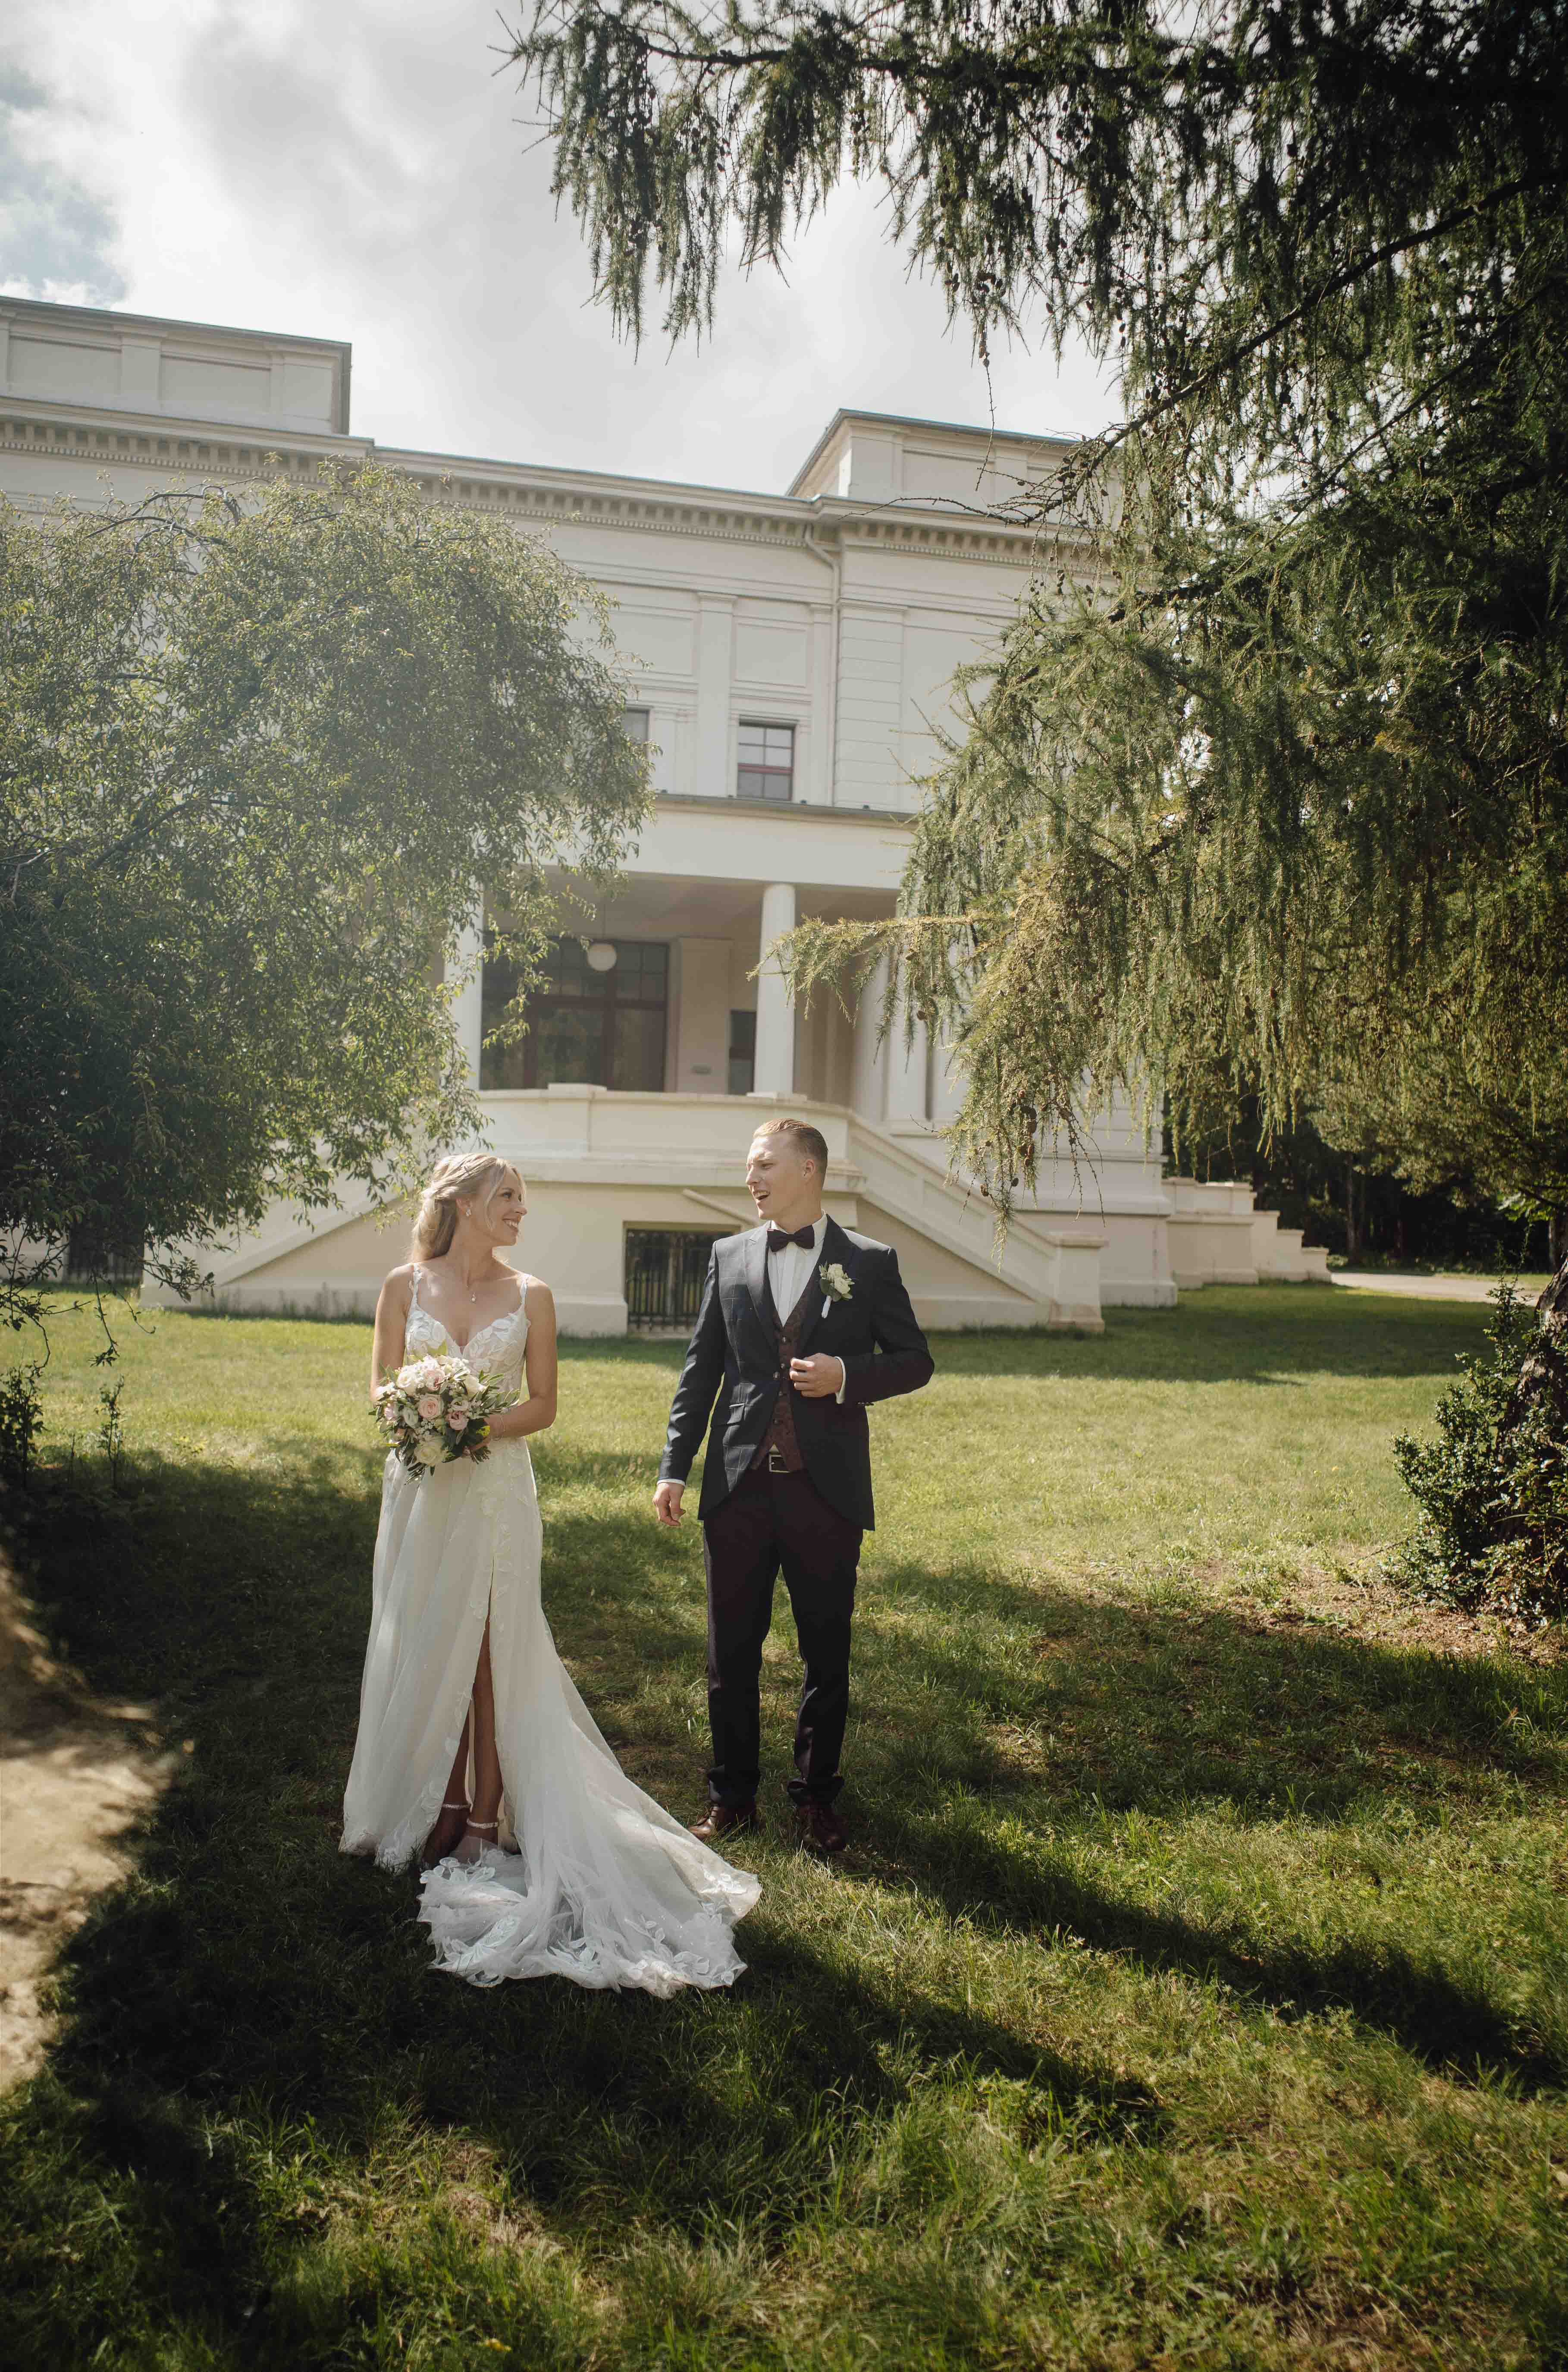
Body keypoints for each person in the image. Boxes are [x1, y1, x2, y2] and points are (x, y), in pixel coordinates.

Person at [342, 1150, 759, 1994]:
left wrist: (465, 1422)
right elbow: (381, 1385)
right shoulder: (401, 1285)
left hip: (494, 1488)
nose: (519, 1212)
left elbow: (541, 1404)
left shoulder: (532, 1294)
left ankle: (488, 1817)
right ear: (459, 1203)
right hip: (421, 1488)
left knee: (496, 1642)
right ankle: (434, 1803)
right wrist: (419, 1419)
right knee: (429, 1625)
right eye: (507, 1199)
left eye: (522, 1201)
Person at [655, 1117, 935, 1856]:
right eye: (749, 1165)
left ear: (809, 1169)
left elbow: (914, 1360)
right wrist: (674, 1467)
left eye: (762, 1164)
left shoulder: (868, 1263)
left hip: (826, 1492)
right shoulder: (728, 1255)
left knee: (825, 1653)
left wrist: (848, 1377)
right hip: (738, 1486)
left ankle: (816, 1800)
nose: (750, 1177)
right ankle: (732, 1798)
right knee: (730, 1656)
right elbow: (701, 1372)